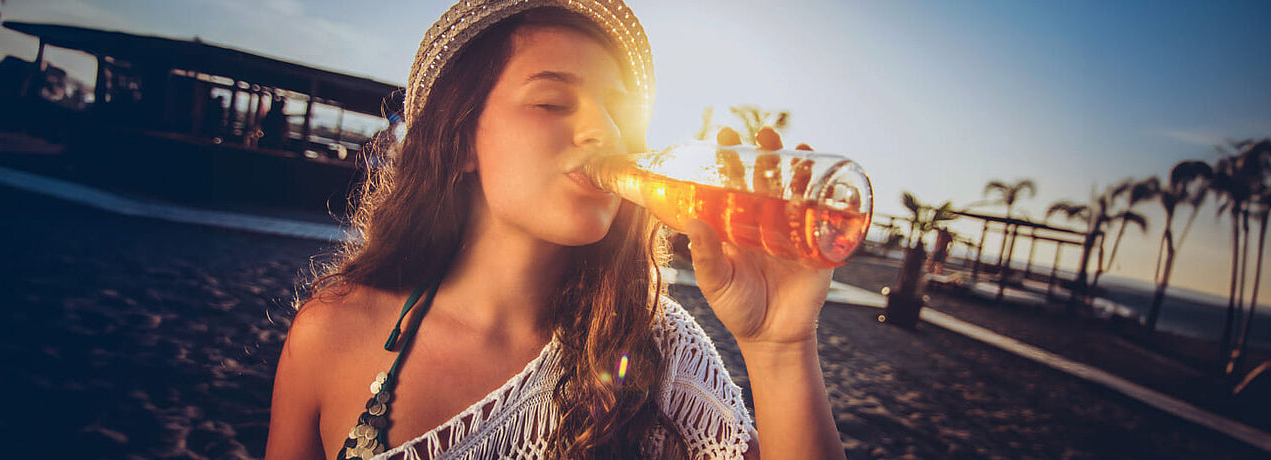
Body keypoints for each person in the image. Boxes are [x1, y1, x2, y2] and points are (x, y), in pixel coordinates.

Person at [265, 1, 847, 458]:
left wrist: (780, 349)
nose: (605, 131)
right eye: (552, 102)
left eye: (618, 110)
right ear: (461, 139)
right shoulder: (331, 334)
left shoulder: (659, 349)